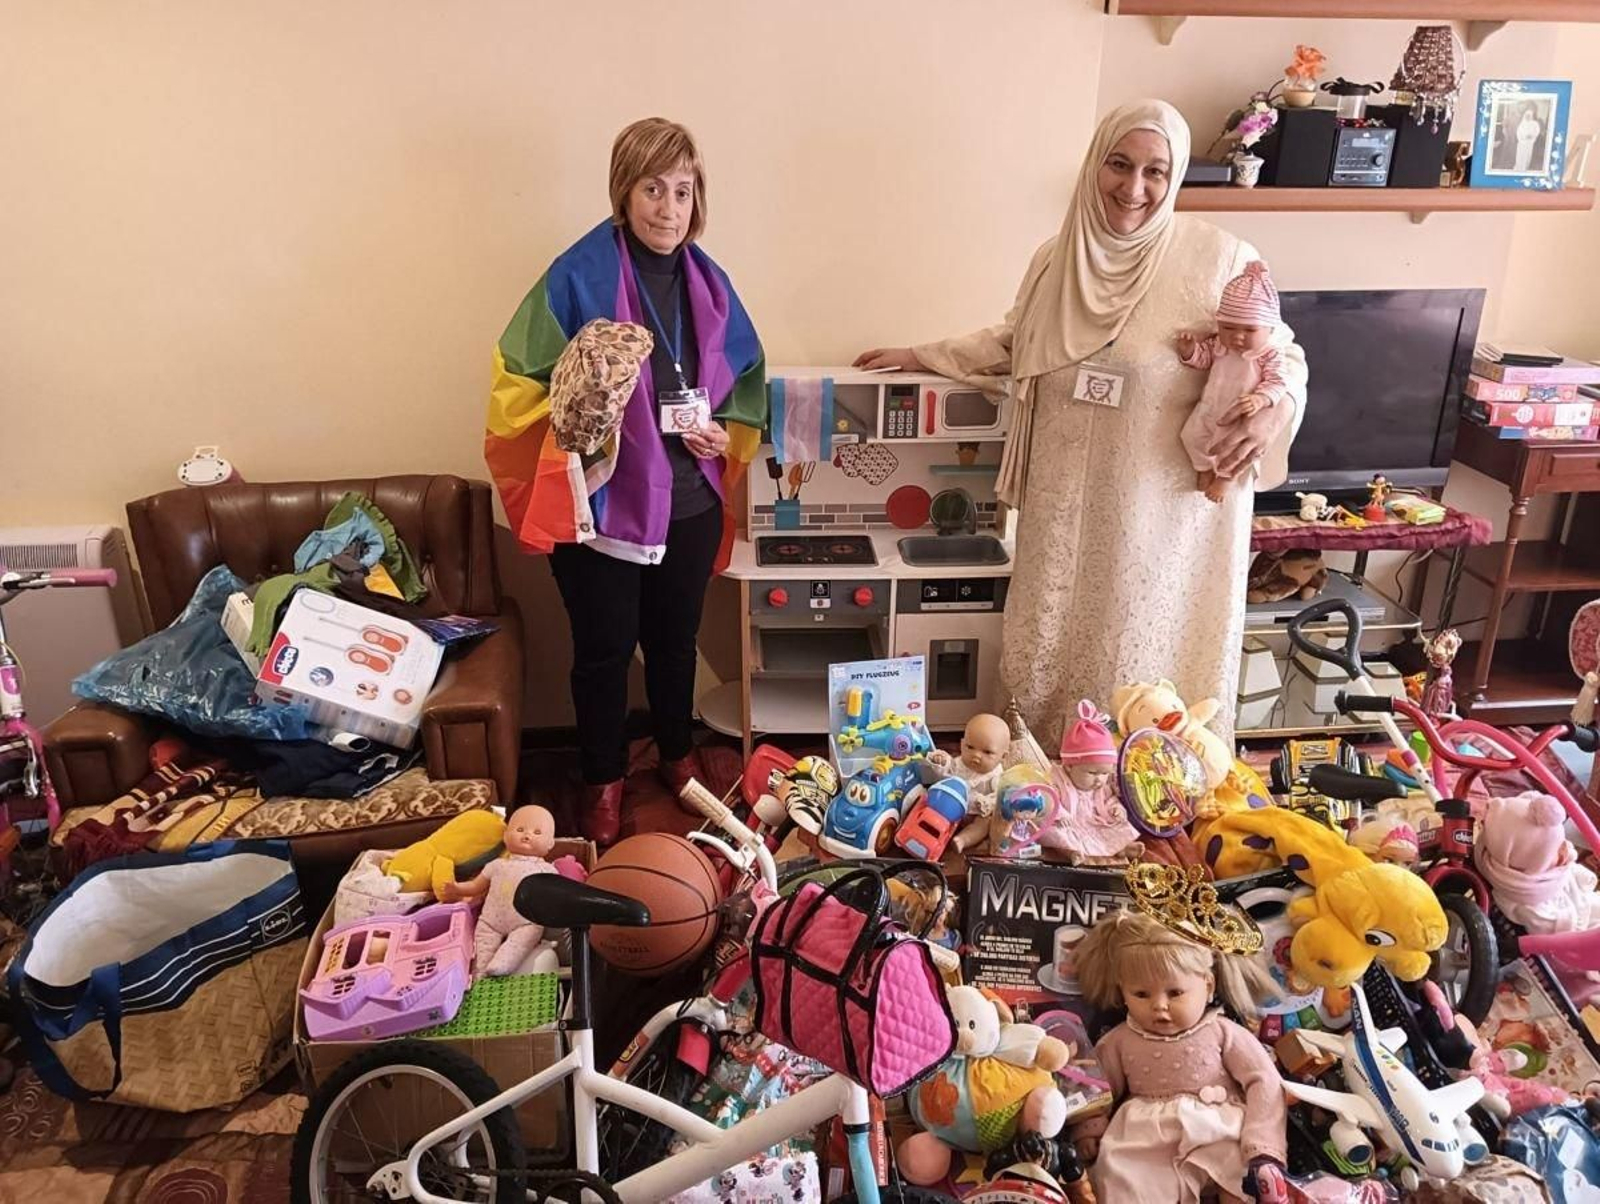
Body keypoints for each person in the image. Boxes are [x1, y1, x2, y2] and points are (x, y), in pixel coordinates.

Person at [855, 100, 1306, 749]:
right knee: (1048, 652)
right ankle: (1040, 800)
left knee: (1133, 674)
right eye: (1119, 165)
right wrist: (920, 356)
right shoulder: (1056, 259)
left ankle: (1140, 795)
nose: (1134, 188)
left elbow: (1282, 355)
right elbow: (1019, 339)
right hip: (1063, 506)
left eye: (1156, 171)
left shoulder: (1219, 259)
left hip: (1158, 523)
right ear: (1095, 165)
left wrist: (1275, 411)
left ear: (1175, 176)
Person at [486, 118, 767, 846]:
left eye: (682, 190)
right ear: (625, 189)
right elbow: (515, 382)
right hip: (605, 507)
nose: (668, 208)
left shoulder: (710, 282)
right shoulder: (576, 275)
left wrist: (721, 433)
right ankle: (603, 779)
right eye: (652, 189)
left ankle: (676, 755)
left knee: (675, 644)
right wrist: (581, 417)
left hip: (690, 502)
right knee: (603, 653)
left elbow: (747, 378)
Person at [1176, 259, 1293, 503]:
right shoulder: (1220, 344)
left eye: (1249, 331)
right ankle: (1204, 468)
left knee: (1232, 450)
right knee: (1191, 437)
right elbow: (1203, 359)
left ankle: (1225, 479)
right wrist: (1189, 350)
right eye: (1228, 327)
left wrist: (1261, 399)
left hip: (1240, 413)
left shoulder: (1269, 353)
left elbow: (1278, 382)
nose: (1237, 337)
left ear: (1269, 329)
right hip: (1209, 408)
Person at [1514, 102, 1543, 173]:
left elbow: (1537, 131)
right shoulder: (1522, 124)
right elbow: (1518, 133)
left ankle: (1525, 168)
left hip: (1529, 143)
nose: (1528, 117)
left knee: (1527, 156)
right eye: (1527, 115)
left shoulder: (1535, 124)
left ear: (1532, 116)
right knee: (1520, 156)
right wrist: (1523, 137)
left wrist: (1531, 136)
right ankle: (1519, 167)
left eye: (1529, 115)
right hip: (1522, 143)